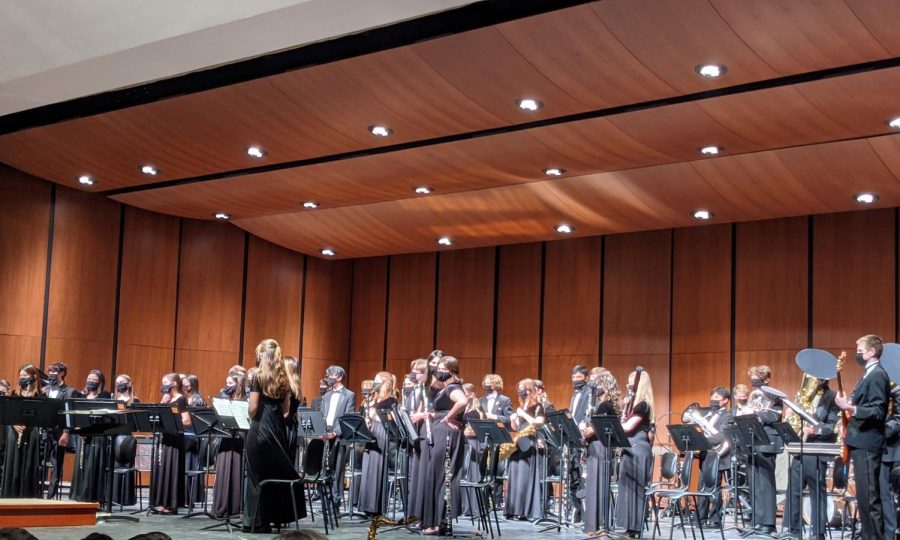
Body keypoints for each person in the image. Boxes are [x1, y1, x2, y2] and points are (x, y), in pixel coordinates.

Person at [243, 339, 305, 532]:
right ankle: (271, 519)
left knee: (256, 476)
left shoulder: (258, 377)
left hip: (260, 428)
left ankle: (254, 522)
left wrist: (256, 414)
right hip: (277, 430)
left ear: (263, 356)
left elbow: (253, 409)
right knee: (273, 475)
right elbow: (286, 410)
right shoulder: (283, 378)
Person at [836, 335, 890, 539]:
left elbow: (877, 410)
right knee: (864, 498)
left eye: (860, 350)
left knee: (869, 498)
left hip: (868, 442)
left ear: (871, 352)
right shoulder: (867, 374)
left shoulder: (877, 375)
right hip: (859, 440)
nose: (857, 354)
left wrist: (850, 407)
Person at [785, 378, 837, 540]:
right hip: (800, 447)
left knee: (816, 492)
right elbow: (793, 420)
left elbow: (832, 425)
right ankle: (792, 530)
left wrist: (817, 429)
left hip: (817, 449)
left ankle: (817, 532)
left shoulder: (832, 397)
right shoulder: (802, 396)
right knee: (793, 489)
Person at [421, 355, 467, 535]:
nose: (438, 371)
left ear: (451, 370)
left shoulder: (453, 386)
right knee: (439, 475)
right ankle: (438, 521)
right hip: (442, 431)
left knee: (442, 476)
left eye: (442, 368)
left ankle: (438, 522)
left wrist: (448, 417)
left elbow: (462, 401)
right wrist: (436, 416)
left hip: (448, 433)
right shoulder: (445, 388)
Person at [581, 368, 620, 537]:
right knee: (597, 485)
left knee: (596, 485)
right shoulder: (606, 404)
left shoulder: (605, 405)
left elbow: (595, 430)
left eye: (598, 385)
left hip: (599, 448)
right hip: (601, 447)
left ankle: (597, 524)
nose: (595, 388)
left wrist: (585, 429)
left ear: (605, 385)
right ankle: (598, 524)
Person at [617, 369, 654, 538]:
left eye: (631, 382)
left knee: (635, 489)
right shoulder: (632, 404)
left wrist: (613, 424)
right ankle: (627, 526)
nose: (628, 386)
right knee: (626, 488)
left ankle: (634, 528)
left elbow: (629, 427)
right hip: (629, 447)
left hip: (638, 448)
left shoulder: (643, 404)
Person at [745, 365, 782, 535]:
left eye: (758, 377)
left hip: (768, 440)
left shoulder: (775, 395)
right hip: (753, 440)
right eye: (753, 377)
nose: (755, 381)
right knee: (754, 482)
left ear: (766, 379)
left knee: (766, 484)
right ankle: (757, 520)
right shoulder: (754, 394)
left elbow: (774, 416)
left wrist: (757, 415)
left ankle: (768, 523)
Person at [358, 371, 398, 515]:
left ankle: (375, 507)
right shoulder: (373, 399)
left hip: (382, 433)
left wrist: (373, 415)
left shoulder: (391, 400)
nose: (374, 384)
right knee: (368, 467)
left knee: (377, 469)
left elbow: (390, 418)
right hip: (372, 432)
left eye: (376, 381)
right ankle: (365, 505)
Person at [505, 378, 545, 521]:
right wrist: (513, 419)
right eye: (519, 389)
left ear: (530, 390)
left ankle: (526, 510)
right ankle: (515, 509)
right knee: (515, 475)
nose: (520, 392)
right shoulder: (522, 405)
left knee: (524, 477)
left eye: (523, 389)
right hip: (519, 442)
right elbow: (516, 427)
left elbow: (539, 423)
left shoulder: (538, 406)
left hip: (529, 443)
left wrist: (524, 415)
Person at [1, 364, 44, 498]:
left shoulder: (41, 395)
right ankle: (10, 495)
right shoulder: (14, 393)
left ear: (34, 376)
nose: (22, 378)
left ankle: (27, 495)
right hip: (14, 433)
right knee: (13, 463)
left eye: (25, 375)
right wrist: (14, 423)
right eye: (20, 376)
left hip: (31, 433)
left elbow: (43, 416)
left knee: (28, 464)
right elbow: (6, 414)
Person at [151, 373, 190, 514]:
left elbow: (186, 421)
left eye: (165, 382)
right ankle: (161, 501)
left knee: (171, 470)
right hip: (165, 438)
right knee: (163, 469)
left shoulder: (180, 400)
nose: (163, 385)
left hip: (175, 439)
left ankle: (171, 504)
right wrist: (163, 403)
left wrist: (173, 419)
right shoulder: (167, 398)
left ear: (174, 384)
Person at [70, 369, 112, 502]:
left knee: (93, 466)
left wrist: (88, 429)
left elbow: (104, 417)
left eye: (94, 380)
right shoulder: (81, 396)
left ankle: (93, 496)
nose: (91, 382)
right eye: (89, 379)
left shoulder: (105, 396)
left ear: (100, 382)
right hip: (82, 435)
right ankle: (79, 495)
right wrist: (78, 428)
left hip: (97, 436)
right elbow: (75, 415)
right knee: (81, 465)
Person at [696, 387, 734, 530]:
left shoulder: (728, 416)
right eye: (712, 397)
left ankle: (715, 519)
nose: (713, 400)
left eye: (717, 398)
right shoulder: (708, 414)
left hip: (719, 454)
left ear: (725, 401)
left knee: (714, 488)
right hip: (706, 454)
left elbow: (722, 435)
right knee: (702, 486)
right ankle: (700, 517)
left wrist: (703, 440)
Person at [319, 365, 355, 512]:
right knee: (325, 469)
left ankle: (336, 503)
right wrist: (321, 431)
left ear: (339, 377)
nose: (328, 378)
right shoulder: (326, 395)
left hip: (339, 437)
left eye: (330, 375)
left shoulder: (349, 395)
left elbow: (347, 418)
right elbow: (322, 414)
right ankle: (325, 501)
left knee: (338, 471)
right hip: (325, 436)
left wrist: (335, 433)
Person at [212, 372, 246, 518]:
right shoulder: (224, 401)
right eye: (226, 383)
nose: (227, 387)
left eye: (230, 384)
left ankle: (235, 507)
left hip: (239, 441)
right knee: (223, 472)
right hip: (225, 440)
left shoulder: (245, 400)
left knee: (235, 471)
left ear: (238, 385)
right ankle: (221, 505)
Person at [44, 362, 78, 499]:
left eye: (55, 371)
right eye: (50, 371)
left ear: (62, 373)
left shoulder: (69, 391)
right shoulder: (44, 389)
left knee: (56, 465)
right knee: (39, 463)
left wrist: (66, 433)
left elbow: (70, 414)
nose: (52, 374)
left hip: (59, 433)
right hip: (44, 432)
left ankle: (50, 497)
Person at [406, 358, 429, 522]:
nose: (414, 374)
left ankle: (423, 513)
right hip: (416, 434)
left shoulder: (428, 390)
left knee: (423, 476)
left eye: (417, 371)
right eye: (413, 370)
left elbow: (432, 410)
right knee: (415, 475)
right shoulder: (416, 390)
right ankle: (414, 513)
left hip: (426, 433)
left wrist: (421, 415)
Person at [568, 365, 592, 521]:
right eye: (573, 377)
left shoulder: (589, 393)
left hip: (583, 440)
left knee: (583, 477)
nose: (575, 380)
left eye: (578, 377)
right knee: (573, 475)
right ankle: (575, 509)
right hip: (573, 440)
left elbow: (586, 415)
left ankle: (585, 512)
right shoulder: (574, 395)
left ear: (586, 378)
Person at [112, 374, 139, 508]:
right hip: (113, 436)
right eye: (117, 382)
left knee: (125, 466)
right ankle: (112, 497)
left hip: (127, 437)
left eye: (122, 382)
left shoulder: (135, 401)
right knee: (113, 467)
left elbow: (136, 422)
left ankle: (125, 498)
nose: (119, 384)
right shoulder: (113, 399)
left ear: (129, 384)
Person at [284, 356, 304, 467]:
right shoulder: (296, 387)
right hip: (291, 429)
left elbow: (285, 414)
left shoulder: (287, 389)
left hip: (285, 429)